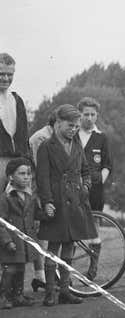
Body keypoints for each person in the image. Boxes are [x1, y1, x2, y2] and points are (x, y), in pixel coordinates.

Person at [37, 104, 98, 306]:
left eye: (76, 127)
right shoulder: (46, 146)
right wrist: (46, 202)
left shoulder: (77, 143)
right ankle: (49, 292)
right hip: (56, 203)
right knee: (52, 249)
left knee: (69, 247)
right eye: (70, 126)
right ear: (58, 123)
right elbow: (42, 178)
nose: (73, 129)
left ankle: (64, 290)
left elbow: (85, 170)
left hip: (75, 203)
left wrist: (86, 186)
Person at [76, 97, 113, 280]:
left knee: (94, 228)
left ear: (96, 115)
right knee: (72, 226)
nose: (89, 118)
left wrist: (101, 180)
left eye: (92, 114)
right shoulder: (73, 134)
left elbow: (107, 164)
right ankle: (67, 270)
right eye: (86, 114)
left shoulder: (101, 137)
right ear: (79, 115)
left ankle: (93, 268)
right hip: (74, 187)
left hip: (95, 189)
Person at [0, 158, 42, 309]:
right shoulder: (5, 198)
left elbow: (35, 215)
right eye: (21, 173)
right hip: (12, 242)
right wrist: (7, 241)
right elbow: (1, 223)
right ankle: (4, 296)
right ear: (11, 176)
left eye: (28, 174)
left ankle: (17, 295)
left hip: (24, 241)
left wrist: (46, 212)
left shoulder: (30, 196)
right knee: (10, 269)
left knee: (21, 268)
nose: (26, 177)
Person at [25, 111, 57, 292]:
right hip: (35, 187)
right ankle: (41, 277)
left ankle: (41, 277)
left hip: (43, 186)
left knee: (42, 234)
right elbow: (41, 167)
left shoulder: (52, 136)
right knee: (38, 232)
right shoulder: (41, 138)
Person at [0, 53, 30, 191]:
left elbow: (24, 136)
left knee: (21, 207)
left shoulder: (17, 100)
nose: (5, 78)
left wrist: (26, 162)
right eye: (1, 74)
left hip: (18, 163)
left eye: (9, 74)